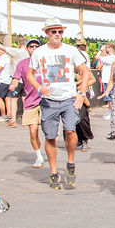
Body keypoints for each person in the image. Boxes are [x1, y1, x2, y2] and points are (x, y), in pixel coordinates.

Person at [26, 18, 92, 190]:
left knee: (70, 130)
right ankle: (54, 171)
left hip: (69, 98)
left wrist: (81, 93)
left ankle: (70, 162)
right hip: (49, 101)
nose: (57, 34)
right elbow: (29, 74)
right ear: (47, 33)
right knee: (50, 136)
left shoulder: (70, 50)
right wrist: (39, 87)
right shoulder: (39, 52)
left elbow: (85, 71)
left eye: (60, 31)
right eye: (53, 31)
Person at [10, 39, 45, 167]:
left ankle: (51, 150)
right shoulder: (22, 64)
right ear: (27, 49)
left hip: (47, 100)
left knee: (50, 132)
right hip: (31, 101)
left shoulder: (46, 61)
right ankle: (39, 156)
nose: (34, 48)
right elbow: (16, 78)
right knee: (33, 131)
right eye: (31, 46)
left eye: (36, 46)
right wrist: (13, 84)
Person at [0, 42, 17, 125]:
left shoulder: (3, 58)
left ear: (3, 51)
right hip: (7, 80)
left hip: (2, 80)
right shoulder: (5, 58)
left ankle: (3, 115)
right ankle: (8, 114)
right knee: (7, 98)